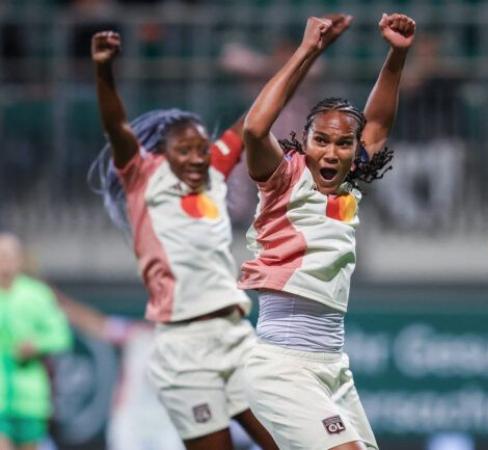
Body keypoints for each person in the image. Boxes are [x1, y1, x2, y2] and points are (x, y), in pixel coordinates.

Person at [89, 31, 277, 450]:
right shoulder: (142, 176)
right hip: (183, 345)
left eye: (202, 148)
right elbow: (116, 126)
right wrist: (103, 69)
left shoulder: (213, 176)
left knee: (291, 440)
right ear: (161, 152)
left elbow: (254, 120)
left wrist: (305, 53)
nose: (197, 157)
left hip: (235, 334)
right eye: (185, 149)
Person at [239, 12, 415, 450]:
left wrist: (396, 55)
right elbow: (254, 128)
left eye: (343, 143)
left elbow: (377, 123)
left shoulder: (349, 183)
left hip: (332, 366)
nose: (331, 151)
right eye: (321, 140)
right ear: (305, 140)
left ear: (355, 151)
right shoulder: (283, 177)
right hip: (282, 365)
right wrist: (309, 50)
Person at [0, 233, 72, 450]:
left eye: (9, 256)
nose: (5, 262)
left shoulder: (37, 295)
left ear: (20, 259)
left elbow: (61, 336)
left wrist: (36, 346)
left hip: (30, 398)